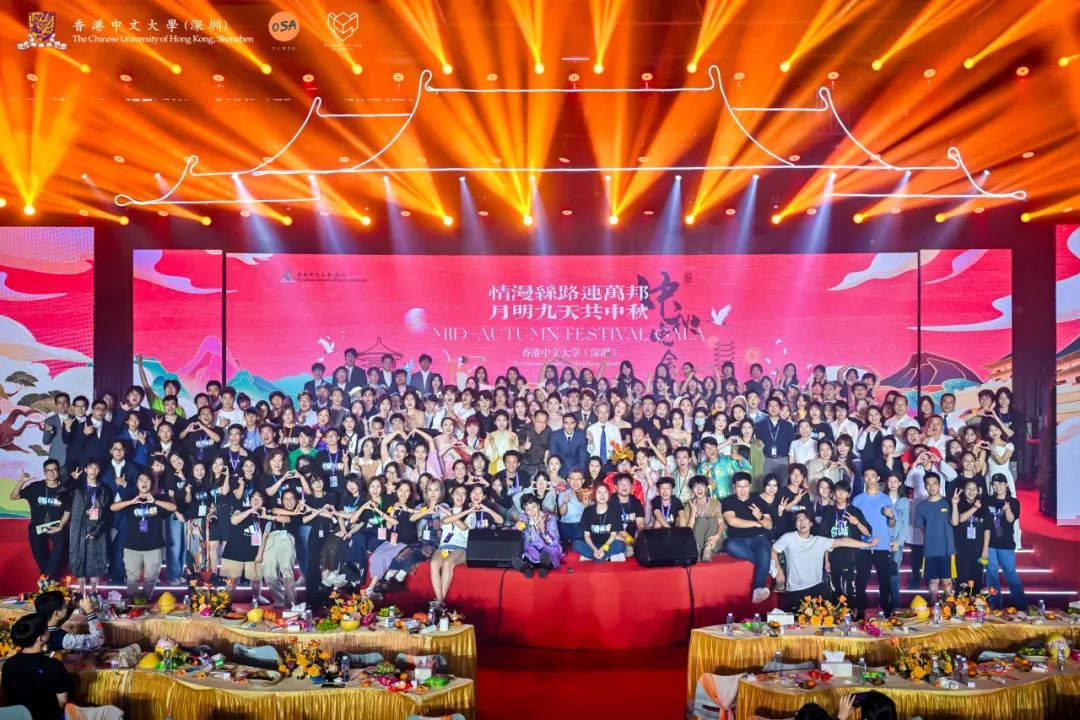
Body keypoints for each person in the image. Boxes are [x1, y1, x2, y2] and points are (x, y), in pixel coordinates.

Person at [772, 510, 878, 612]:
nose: (802, 522)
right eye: (798, 520)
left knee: (829, 615)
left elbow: (843, 541)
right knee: (795, 621)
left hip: (816, 587)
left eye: (805, 519)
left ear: (811, 523)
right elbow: (773, 550)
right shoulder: (788, 538)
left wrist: (868, 545)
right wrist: (779, 570)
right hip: (795, 590)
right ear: (795, 525)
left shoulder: (819, 541)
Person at [110, 472, 177, 599]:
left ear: (151, 483)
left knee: (151, 577)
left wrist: (155, 501)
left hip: (153, 546)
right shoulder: (131, 498)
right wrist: (131, 502)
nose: (144, 482)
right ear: (137, 484)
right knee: (132, 577)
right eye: (141, 480)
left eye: (147, 480)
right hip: (132, 547)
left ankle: (146, 600)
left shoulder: (159, 499)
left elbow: (173, 507)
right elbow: (113, 507)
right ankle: (133, 602)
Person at [2, 613, 75, 720]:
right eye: (47, 629)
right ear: (40, 639)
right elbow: (63, 700)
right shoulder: (53, 665)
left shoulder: (8, 664)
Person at [9, 461, 71, 579]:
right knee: (39, 552)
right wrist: (21, 481)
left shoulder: (64, 490)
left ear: (58, 471)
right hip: (37, 525)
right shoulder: (36, 487)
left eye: (54, 470)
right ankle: (48, 579)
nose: (51, 473)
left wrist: (60, 527)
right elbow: (13, 496)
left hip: (56, 525)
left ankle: (46, 578)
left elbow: (67, 512)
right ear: (44, 472)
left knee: (60, 545)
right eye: (48, 470)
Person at [721, 472, 775, 603]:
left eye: (745, 486)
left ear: (750, 486)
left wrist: (760, 516)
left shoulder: (759, 501)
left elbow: (769, 525)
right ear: (734, 487)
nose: (742, 489)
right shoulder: (728, 501)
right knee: (730, 545)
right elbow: (732, 521)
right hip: (737, 540)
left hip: (758, 538)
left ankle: (758, 589)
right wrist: (756, 523)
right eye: (739, 486)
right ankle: (767, 564)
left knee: (763, 547)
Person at [817, 479, 869, 605]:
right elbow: (824, 539)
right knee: (835, 588)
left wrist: (856, 522)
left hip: (851, 557)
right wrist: (826, 560)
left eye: (844, 492)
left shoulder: (855, 511)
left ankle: (850, 612)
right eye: (838, 491)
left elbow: (868, 533)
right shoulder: (829, 512)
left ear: (849, 494)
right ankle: (837, 613)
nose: (840, 495)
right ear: (834, 493)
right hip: (833, 557)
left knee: (848, 588)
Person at [851, 468, 895, 616]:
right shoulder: (857, 500)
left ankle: (887, 609)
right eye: (867, 476)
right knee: (861, 580)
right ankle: (860, 610)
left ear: (878, 478)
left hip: (882, 546)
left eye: (873, 476)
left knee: (885, 580)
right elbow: (853, 524)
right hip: (863, 546)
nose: (870, 479)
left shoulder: (886, 499)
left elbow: (892, 524)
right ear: (863, 478)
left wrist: (890, 516)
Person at [67, 463, 111, 595]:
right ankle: (81, 591)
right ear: (85, 470)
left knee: (96, 556)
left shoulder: (104, 490)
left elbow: (107, 513)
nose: (93, 471)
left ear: (99, 470)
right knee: (78, 556)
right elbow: (61, 495)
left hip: (97, 527)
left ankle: (94, 592)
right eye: (91, 468)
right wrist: (72, 481)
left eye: (96, 468)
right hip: (78, 527)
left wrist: (96, 531)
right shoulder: (77, 487)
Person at [221, 490, 269, 605]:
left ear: (263, 501)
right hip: (234, 551)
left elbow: (265, 536)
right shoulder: (240, 509)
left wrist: (260, 554)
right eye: (254, 498)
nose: (256, 500)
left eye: (259, 498)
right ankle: (226, 603)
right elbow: (234, 520)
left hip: (253, 551)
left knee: (256, 579)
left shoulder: (265, 516)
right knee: (231, 581)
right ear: (249, 500)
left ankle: (257, 598)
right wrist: (251, 511)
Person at [985, 473, 1026, 609]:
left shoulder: (1013, 502)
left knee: (1010, 573)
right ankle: (995, 605)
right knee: (991, 574)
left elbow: (1010, 519)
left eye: (1000, 484)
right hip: (990, 543)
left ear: (1006, 485)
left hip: (1006, 544)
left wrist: (1007, 509)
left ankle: (1020, 605)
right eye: (995, 484)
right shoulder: (988, 500)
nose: (998, 487)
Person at [913, 472, 955, 603]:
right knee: (933, 582)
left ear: (939, 485)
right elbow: (921, 527)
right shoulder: (921, 507)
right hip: (930, 551)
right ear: (925, 486)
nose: (932, 487)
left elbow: (955, 522)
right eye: (928, 484)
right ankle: (933, 609)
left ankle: (950, 609)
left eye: (935, 483)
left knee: (947, 582)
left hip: (947, 549)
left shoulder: (948, 503)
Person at [951, 478, 990, 593]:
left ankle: (976, 603)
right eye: (968, 488)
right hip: (961, 549)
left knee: (977, 581)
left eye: (974, 489)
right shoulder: (958, 503)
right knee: (962, 580)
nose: (971, 491)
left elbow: (987, 529)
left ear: (978, 491)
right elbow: (960, 519)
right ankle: (961, 603)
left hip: (977, 549)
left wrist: (985, 549)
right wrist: (974, 508)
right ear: (963, 490)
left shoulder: (983, 506)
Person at [33, 590, 105, 652]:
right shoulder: (65, 640)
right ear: (57, 613)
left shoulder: (36, 628)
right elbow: (99, 639)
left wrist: (73, 606)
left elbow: (59, 619)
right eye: (65, 606)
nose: (67, 607)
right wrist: (90, 611)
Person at [513, 493, 562, 578]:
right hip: (533, 547)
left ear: (538, 506)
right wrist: (517, 528)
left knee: (548, 553)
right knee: (529, 554)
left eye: (533, 507)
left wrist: (544, 531)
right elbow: (518, 530)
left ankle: (544, 566)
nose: (532, 511)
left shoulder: (550, 519)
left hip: (548, 546)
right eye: (528, 509)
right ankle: (527, 568)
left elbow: (554, 542)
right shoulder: (524, 519)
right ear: (525, 511)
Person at [575, 484, 627, 561]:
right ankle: (606, 557)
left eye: (605, 492)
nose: (602, 495)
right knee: (576, 544)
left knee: (621, 545)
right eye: (599, 492)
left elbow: (613, 535)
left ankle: (591, 557)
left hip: (607, 545)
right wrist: (595, 549)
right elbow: (587, 535)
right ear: (594, 495)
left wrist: (603, 548)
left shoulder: (614, 512)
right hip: (592, 545)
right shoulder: (588, 512)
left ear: (609, 495)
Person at [677, 476, 724, 561]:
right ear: (692, 490)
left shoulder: (715, 503)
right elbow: (688, 530)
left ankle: (708, 549)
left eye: (702, 485)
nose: (699, 489)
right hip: (695, 540)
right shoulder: (689, 505)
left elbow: (721, 523)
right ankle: (697, 550)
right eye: (695, 486)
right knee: (700, 520)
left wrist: (717, 536)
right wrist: (693, 512)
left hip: (712, 539)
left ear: (706, 487)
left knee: (714, 520)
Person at [884, 473, 910, 613]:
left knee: (894, 574)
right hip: (883, 541)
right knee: (883, 574)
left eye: (895, 481)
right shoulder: (882, 499)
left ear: (900, 483)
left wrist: (899, 541)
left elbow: (905, 523)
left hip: (896, 542)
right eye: (890, 481)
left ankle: (895, 605)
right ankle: (884, 604)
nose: (892, 484)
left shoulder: (904, 501)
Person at [754, 398, 793, 482]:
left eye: (776, 406)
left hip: (783, 460)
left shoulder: (788, 425)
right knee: (766, 484)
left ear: (780, 408)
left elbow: (791, 445)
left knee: (783, 485)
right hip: (766, 460)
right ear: (767, 409)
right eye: (770, 406)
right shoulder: (759, 425)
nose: (773, 408)